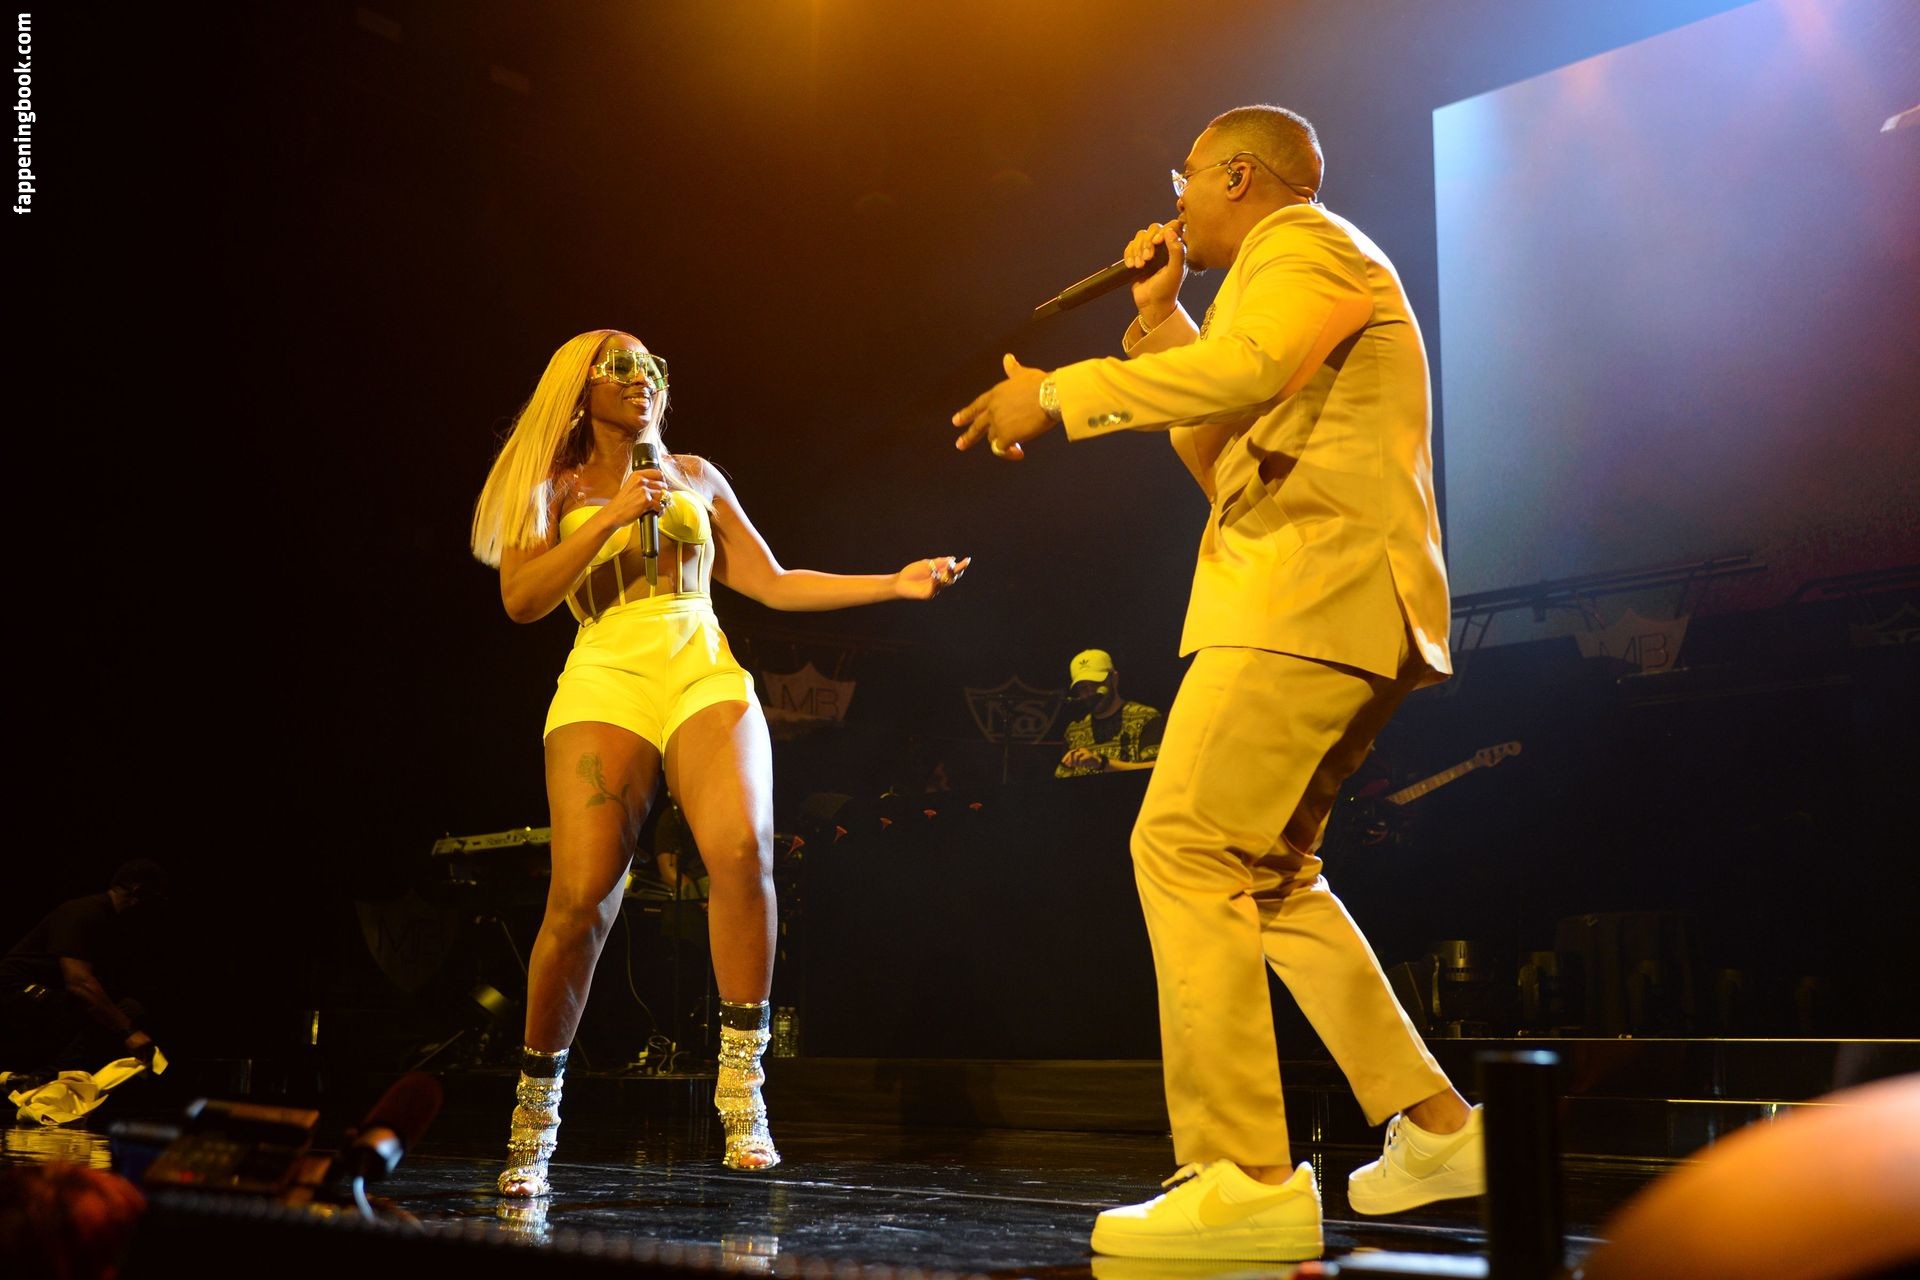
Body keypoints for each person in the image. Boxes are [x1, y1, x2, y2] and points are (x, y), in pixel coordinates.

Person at [952, 105, 1480, 1262]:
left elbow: (1248, 370)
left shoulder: (1308, 246)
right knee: (1267, 869)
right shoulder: (1277, 278)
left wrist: (1060, 392)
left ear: (1237, 176)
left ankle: (1242, 1173)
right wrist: (1158, 321)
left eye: (1183, 179)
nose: (1176, 201)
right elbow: (1227, 445)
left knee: (1182, 844)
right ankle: (1439, 1128)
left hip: (1310, 592)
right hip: (1325, 594)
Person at [471, 329, 969, 1195]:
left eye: (651, 367)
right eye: (619, 366)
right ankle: (534, 1119)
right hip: (607, 670)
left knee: (743, 851)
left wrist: (894, 583)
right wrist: (614, 517)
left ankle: (743, 1095)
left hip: (701, 661)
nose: (641, 378)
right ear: (579, 388)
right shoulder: (553, 486)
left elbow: (771, 581)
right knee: (582, 898)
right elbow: (521, 599)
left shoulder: (696, 474)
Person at [0, 860, 169, 1076]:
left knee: (124, 1008)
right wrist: (128, 1031)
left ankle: (52, 1077)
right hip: (15, 989)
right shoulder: (84, 912)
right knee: (104, 1012)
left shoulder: (112, 922)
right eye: (157, 899)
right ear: (138, 891)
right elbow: (79, 983)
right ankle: (43, 1079)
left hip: (46, 992)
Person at [1054, 648, 1164, 778]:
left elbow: (1157, 769)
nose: (1090, 692)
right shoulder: (1074, 731)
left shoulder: (1145, 717)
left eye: (1096, 683)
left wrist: (1103, 763)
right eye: (1083, 687)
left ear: (1114, 679)